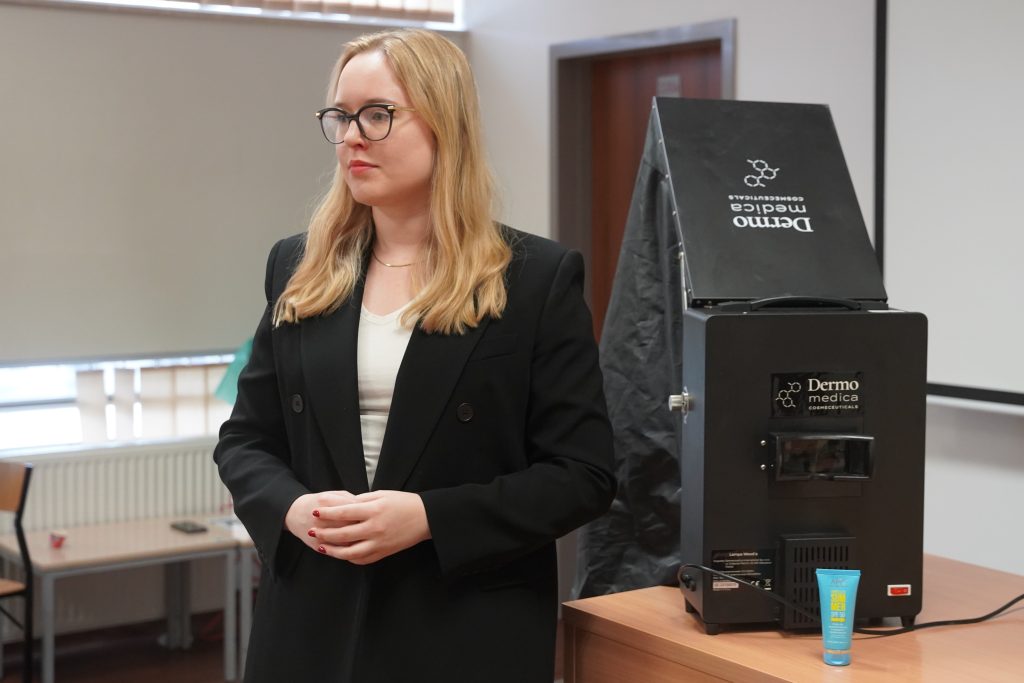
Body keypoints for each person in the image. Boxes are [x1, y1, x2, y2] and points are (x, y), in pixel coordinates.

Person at [214, 28, 615, 683]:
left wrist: (429, 517)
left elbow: (583, 474)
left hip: (460, 623)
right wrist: (291, 508)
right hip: (313, 619)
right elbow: (245, 439)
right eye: (341, 116)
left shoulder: (535, 279)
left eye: (377, 115)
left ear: (444, 123)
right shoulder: (298, 265)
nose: (351, 137)